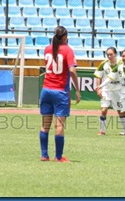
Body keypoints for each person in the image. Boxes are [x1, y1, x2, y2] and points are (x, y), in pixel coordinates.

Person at [39, 26, 81, 162]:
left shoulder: (47, 48)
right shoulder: (68, 50)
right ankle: (58, 157)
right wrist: (78, 89)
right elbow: (73, 71)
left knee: (45, 124)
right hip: (60, 91)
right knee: (59, 125)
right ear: (65, 37)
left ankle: (44, 155)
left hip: (46, 89)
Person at [94, 47, 125, 135]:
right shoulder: (103, 64)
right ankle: (102, 130)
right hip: (106, 89)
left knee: (120, 110)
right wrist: (98, 89)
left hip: (118, 89)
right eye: (107, 54)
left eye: (111, 54)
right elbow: (98, 76)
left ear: (115, 54)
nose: (109, 56)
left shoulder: (121, 62)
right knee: (104, 110)